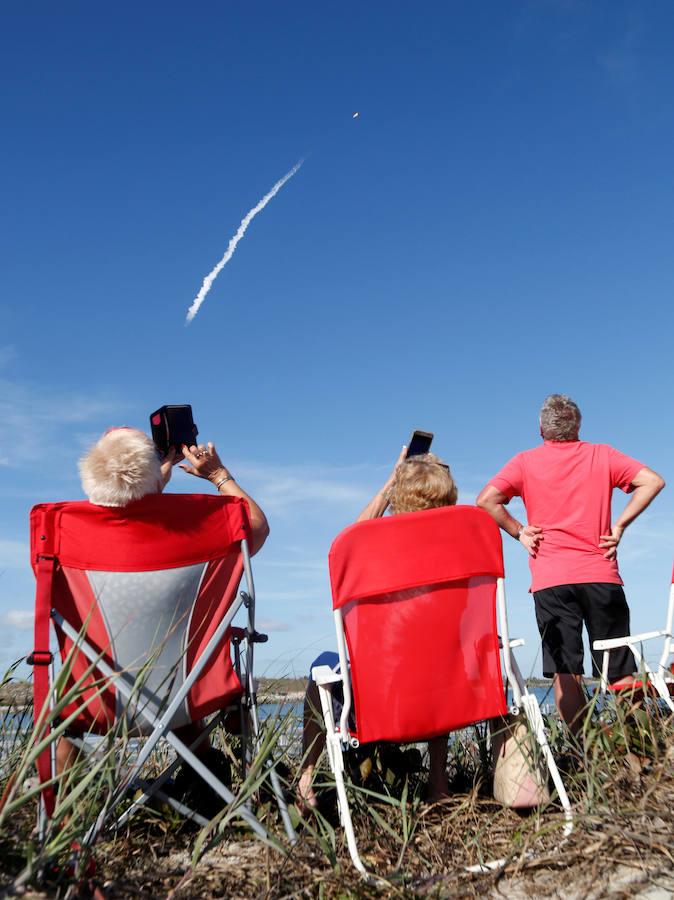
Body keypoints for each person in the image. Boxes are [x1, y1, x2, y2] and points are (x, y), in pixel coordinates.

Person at [56, 426, 269, 793]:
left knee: (78, 685)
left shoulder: (66, 534)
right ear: (155, 476)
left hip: (96, 702)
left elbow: (118, 515)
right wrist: (219, 475)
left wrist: (151, 489)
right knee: (180, 659)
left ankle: (56, 804)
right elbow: (257, 527)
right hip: (190, 692)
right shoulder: (198, 529)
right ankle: (205, 781)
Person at [476, 394, 665, 734]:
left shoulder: (524, 462)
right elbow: (653, 481)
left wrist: (519, 532)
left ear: (541, 429)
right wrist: (619, 526)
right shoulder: (602, 455)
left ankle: (585, 751)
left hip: (551, 581)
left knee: (566, 670)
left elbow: (486, 500)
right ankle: (633, 743)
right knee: (619, 667)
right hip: (601, 575)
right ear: (578, 426)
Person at [297, 447, 459, 809]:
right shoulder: (461, 545)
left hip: (380, 698)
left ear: (399, 498)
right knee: (438, 656)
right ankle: (438, 782)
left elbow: (347, 544)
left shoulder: (375, 547)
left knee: (320, 665)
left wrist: (392, 482)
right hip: (451, 691)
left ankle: (306, 779)